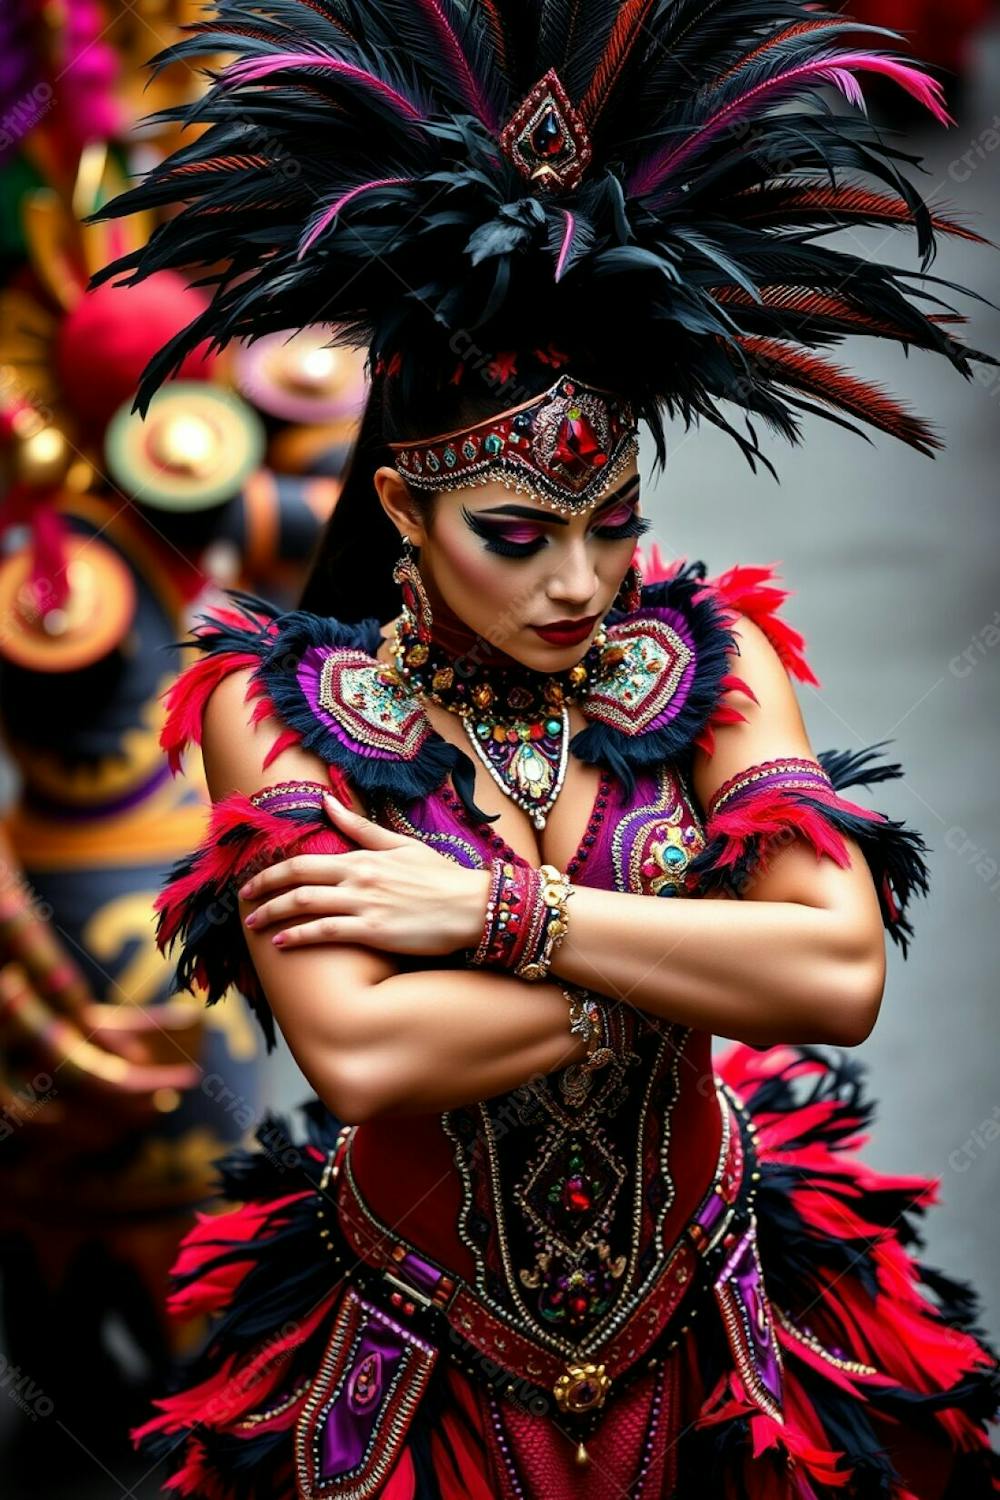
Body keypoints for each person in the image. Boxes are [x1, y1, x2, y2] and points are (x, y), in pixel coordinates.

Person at [93, 0, 1000, 1493]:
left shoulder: (711, 661)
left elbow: (837, 978)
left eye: (614, 523)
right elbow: (368, 1050)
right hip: (420, 1370)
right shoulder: (276, 714)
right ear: (402, 513)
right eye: (515, 537)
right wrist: (685, 969)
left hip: (722, 1332)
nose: (579, 584)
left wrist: (499, 919)